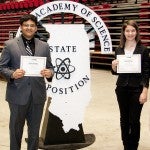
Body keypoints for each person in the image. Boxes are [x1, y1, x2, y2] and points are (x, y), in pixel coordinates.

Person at [0, 14, 54, 150]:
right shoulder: (9, 45)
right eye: (26, 25)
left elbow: (50, 67)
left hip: (38, 95)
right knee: (16, 130)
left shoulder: (44, 46)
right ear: (21, 27)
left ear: (36, 28)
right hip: (17, 94)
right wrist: (12, 74)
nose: (29, 28)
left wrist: (50, 73)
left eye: (32, 25)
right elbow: (1, 67)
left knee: (34, 131)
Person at [111, 20, 149, 150]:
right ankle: (126, 145)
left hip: (137, 89)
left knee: (134, 120)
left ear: (137, 32)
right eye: (127, 30)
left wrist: (145, 91)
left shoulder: (143, 50)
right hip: (121, 88)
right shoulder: (119, 49)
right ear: (123, 32)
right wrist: (113, 66)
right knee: (124, 120)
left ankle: (134, 146)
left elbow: (146, 72)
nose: (130, 33)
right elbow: (116, 73)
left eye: (133, 30)